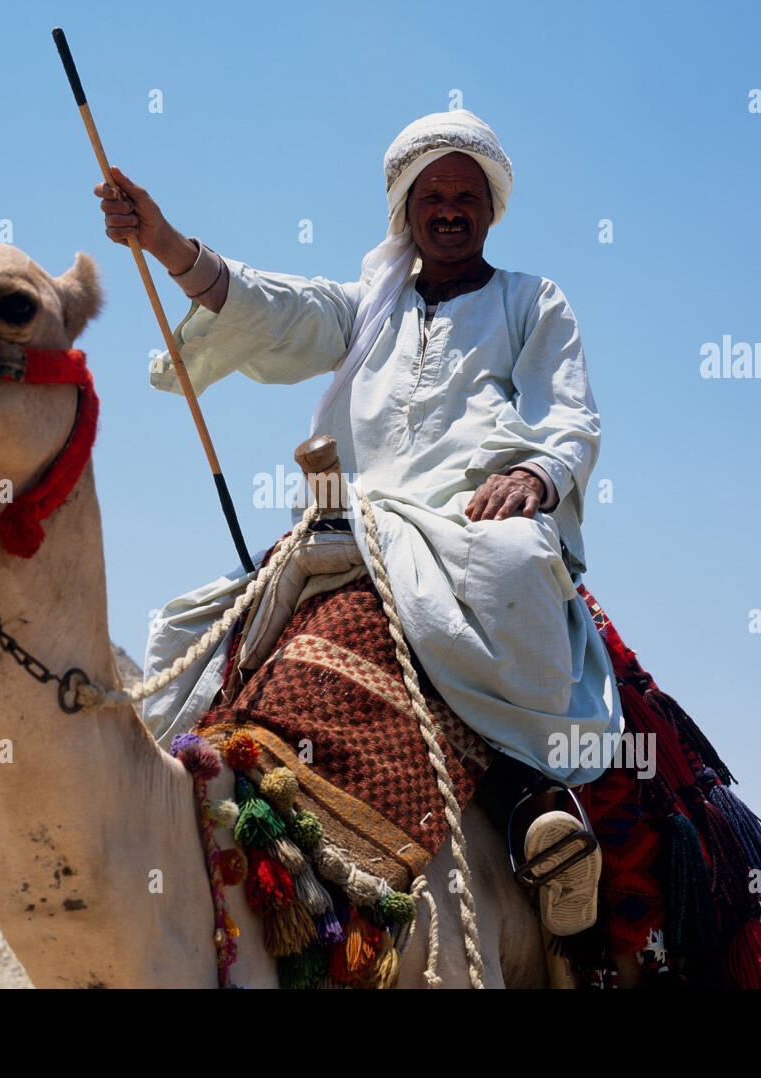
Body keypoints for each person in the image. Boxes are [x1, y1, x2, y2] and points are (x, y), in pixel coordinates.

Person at [97, 110, 622, 797]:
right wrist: (165, 243)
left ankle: (534, 798)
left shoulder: (530, 301)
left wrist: (534, 472)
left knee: (518, 564)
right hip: (350, 519)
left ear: (491, 209)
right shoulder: (365, 309)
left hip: (465, 522)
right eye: (433, 196)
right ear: (407, 210)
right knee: (185, 626)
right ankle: (163, 803)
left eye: (467, 196)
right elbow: (276, 307)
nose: (451, 212)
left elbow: (569, 413)